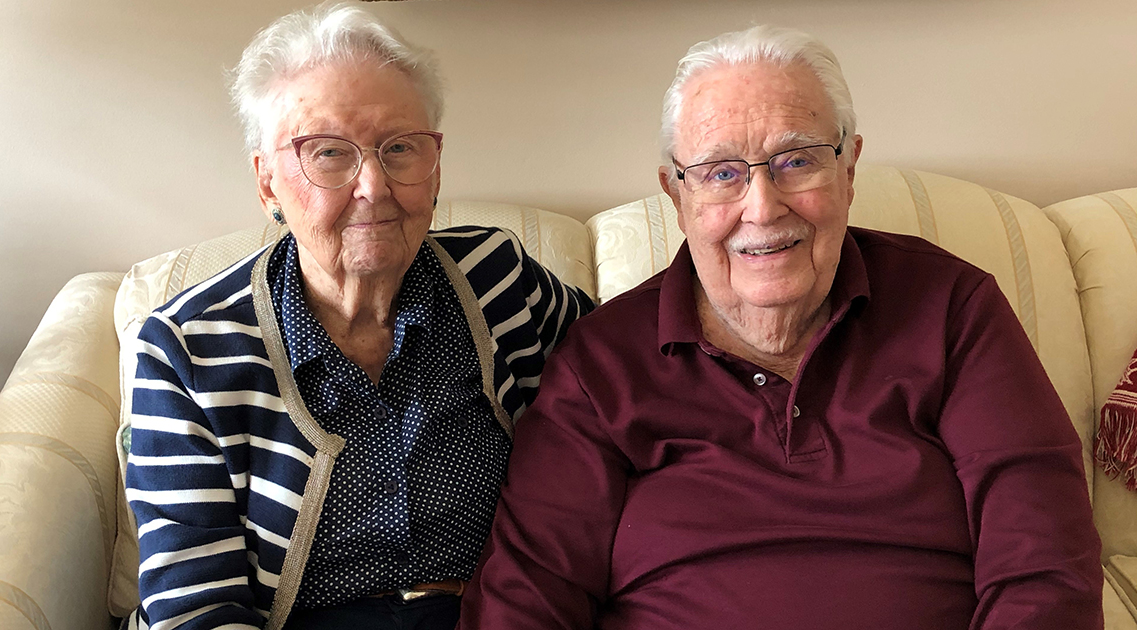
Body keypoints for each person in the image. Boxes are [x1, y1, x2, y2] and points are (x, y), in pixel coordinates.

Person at [459, 25, 1102, 630]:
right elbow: (529, 593)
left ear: (849, 169)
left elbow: (1043, 559)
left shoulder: (953, 307)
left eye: (796, 161)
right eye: (720, 174)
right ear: (677, 196)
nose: (762, 207)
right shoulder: (601, 362)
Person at [123, 4, 593, 630]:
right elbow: (195, 609)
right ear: (268, 184)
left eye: (399, 148)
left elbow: (620, 368)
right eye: (328, 154)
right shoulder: (187, 350)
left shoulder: (495, 277)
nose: (372, 185)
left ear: (435, 164)